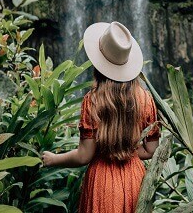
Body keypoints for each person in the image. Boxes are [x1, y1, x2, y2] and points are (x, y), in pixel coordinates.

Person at [41, 21, 160, 212]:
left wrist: (53, 159)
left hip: (102, 183)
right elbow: (151, 150)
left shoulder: (93, 100)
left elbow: (84, 156)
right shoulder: (145, 99)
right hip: (136, 182)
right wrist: (125, 149)